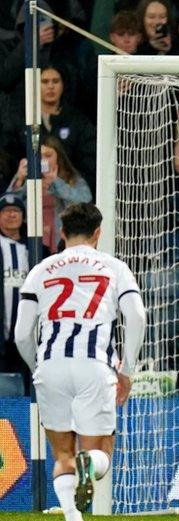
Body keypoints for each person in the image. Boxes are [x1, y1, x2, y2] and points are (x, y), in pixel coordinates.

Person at [13, 203, 146, 521]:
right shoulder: (114, 267)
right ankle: (92, 465)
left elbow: (22, 334)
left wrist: (38, 367)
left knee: (62, 456)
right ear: (98, 233)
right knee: (100, 449)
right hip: (94, 365)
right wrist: (127, 371)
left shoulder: (41, 269)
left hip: (51, 365)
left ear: (62, 233)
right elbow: (137, 317)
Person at [6, 136, 93, 252]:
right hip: (30, 239)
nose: (43, 160)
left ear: (59, 157)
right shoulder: (29, 179)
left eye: (48, 155)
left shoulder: (70, 178)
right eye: (39, 156)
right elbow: (8, 205)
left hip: (62, 239)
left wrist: (56, 181)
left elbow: (85, 199)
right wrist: (19, 179)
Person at [39, 65, 97, 193]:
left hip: (72, 191)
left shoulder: (78, 121)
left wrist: (69, 179)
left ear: (63, 85)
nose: (50, 86)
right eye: (44, 81)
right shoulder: (23, 121)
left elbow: (90, 163)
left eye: (55, 81)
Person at [0, 195, 29, 383]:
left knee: (25, 385)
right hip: (2, 331)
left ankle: (24, 413)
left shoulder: (36, 248)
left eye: (16, 210)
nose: (12, 215)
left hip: (27, 332)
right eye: (6, 211)